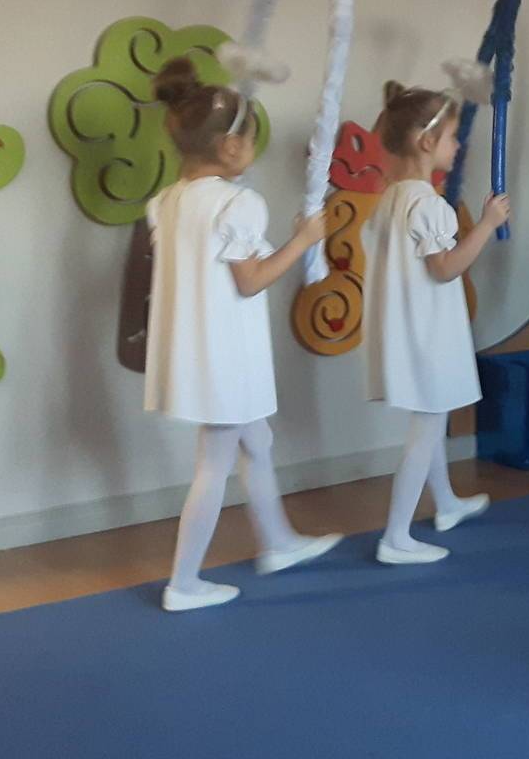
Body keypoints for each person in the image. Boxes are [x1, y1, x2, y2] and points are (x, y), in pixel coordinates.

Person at [143, 57, 341, 612]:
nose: (253, 149)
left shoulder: (165, 202)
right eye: (251, 140)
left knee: (258, 441)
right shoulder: (238, 203)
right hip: (225, 355)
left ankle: (277, 541)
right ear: (230, 148)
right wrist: (303, 240)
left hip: (199, 351)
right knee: (214, 464)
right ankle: (184, 582)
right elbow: (250, 280)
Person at [364, 81, 510, 564]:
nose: (458, 144)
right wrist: (486, 224)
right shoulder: (426, 203)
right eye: (451, 136)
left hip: (410, 330)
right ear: (426, 142)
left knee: (433, 419)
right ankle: (396, 537)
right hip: (427, 335)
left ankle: (445, 503)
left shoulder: (392, 197)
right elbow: (445, 268)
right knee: (426, 431)